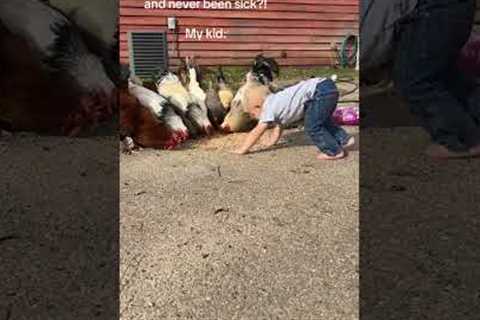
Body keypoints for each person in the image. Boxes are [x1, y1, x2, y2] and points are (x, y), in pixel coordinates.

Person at [361, 0, 480, 159]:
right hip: (445, 8)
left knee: (414, 82)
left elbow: (370, 45)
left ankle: (461, 141)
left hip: (433, 9)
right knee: (441, 75)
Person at [233, 77, 354, 160]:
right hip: (326, 86)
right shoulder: (276, 103)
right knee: (322, 121)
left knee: (312, 126)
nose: (255, 118)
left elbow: (257, 131)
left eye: (253, 114)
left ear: (257, 106)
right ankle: (344, 139)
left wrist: (243, 149)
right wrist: (271, 142)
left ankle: (334, 151)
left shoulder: (268, 108)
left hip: (319, 91)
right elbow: (279, 126)